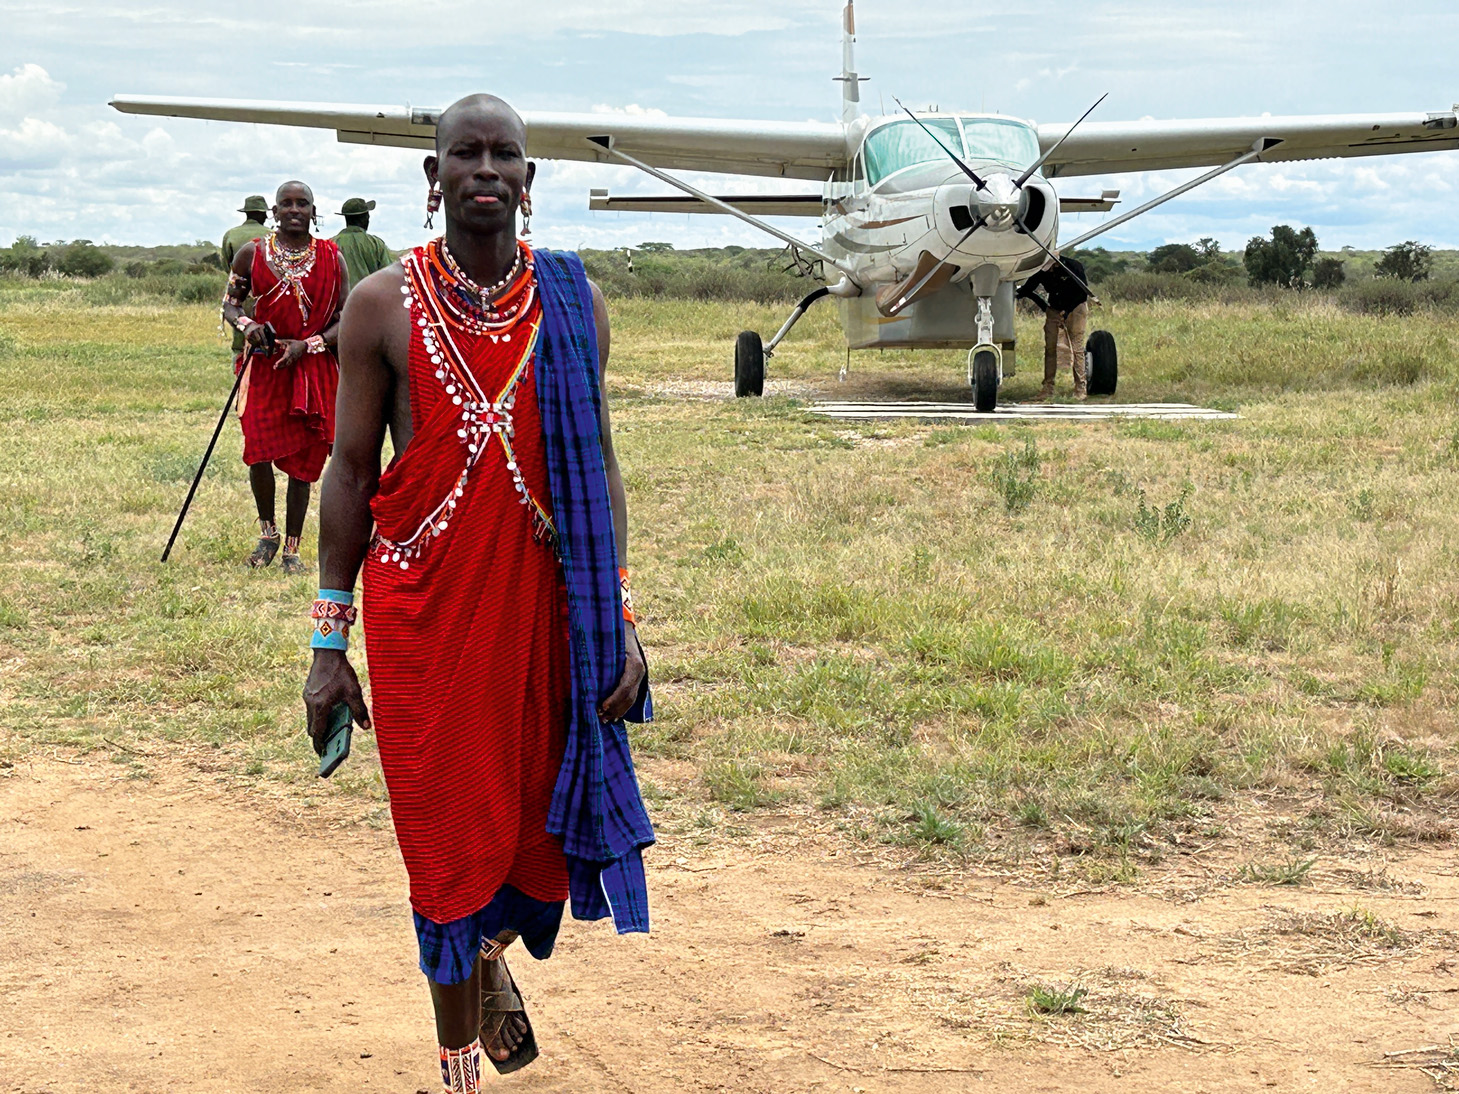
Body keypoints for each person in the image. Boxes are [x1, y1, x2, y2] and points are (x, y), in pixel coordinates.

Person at [302, 94, 653, 1089]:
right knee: (446, 845)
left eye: (505, 154)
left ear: (530, 183)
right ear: (434, 178)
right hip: (425, 623)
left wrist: (618, 616)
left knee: (531, 838)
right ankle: (456, 1065)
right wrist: (329, 643)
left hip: (547, 618)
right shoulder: (380, 308)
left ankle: (493, 957)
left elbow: (603, 465)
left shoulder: (576, 304)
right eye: (465, 153)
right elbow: (348, 474)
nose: (485, 168)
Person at [220, 181, 348, 573]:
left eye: (302, 203)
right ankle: (268, 535)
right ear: (274, 212)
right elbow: (230, 303)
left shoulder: (332, 257)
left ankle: (292, 548)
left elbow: (344, 318)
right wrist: (248, 324)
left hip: (311, 367)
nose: (294, 210)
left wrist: (307, 345)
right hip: (264, 365)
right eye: (286, 204)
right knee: (258, 450)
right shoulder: (251, 254)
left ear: (314, 211)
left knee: (303, 459)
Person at [1017, 252, 1093, 400]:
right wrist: (1045, 307)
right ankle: (1047, 388)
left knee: (1076, 347)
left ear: (1057, 263)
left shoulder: (1073, 267)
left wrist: (1067, 312)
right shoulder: (1042, 270)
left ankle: (1080, 388)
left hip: (1076, 307)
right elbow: (1028, 289)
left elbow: (1082, 294)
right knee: (1050, 348)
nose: (1049, 271)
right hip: (1054, 308)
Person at [220, 196, 269, 356]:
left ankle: (240, 368)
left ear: (246, 213)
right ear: (263, 214)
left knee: (240, 330)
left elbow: (227, 265)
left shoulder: (231, 235)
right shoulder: (272, 236)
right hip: (267, 295)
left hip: (240, 293)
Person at [331, 197, 394, 288]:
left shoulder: (332, 244)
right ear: (364, 218)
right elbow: (388, 277)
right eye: (367, 216)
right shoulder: (376, 244)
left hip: (341, 301)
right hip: (369, 300)